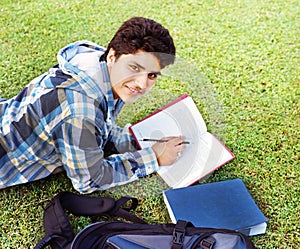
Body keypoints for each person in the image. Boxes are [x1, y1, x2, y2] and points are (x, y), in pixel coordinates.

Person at [0, 17, 185, 194]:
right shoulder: (80, 110)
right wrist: (153, 157)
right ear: (113, 55)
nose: (141, 84)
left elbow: (98, 126)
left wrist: (132, 140)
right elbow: (90, 180)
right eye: (134, 68)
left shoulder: (96, 63)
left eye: (152, 75)